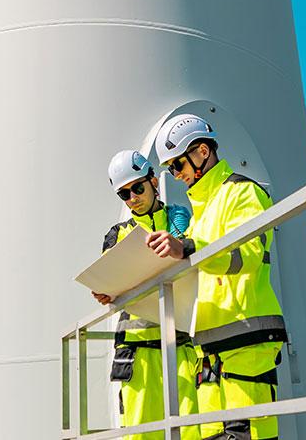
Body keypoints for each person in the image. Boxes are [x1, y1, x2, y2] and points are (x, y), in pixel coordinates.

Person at [145, 115, 287, 440]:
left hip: (246, 340)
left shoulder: (243, 193)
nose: (176, 176)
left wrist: (188, 248)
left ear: (203, 152)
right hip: (208, 351)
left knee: (248, 436)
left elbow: (246, 255)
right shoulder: (201, 214)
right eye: (169, 169)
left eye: (177, 165)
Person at [97, 150, 200, 440]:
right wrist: (104, 292)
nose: (133, 198)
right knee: (141, 435)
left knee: (192, 431)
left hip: (181, 345)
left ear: (153, 181)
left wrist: (183, 240)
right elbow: (109, 280)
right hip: (137, 352)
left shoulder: (181, 222)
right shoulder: (117, 235)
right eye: (124, 194)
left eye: (137, 188)